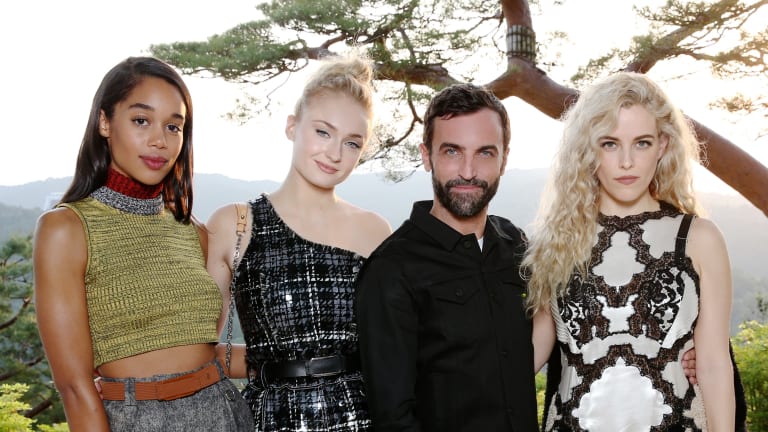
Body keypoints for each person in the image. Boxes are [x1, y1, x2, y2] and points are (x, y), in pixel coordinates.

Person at [33, 56, 254, 431]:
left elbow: (203, 351)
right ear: (105, 122)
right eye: (141, 120)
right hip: (138, 420)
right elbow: (75, 388)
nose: (159, 140)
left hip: (224, 410)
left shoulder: (193, 231)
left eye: (173, 126)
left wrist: (312, 356)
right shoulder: (66, 229)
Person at [523, 72, 735, 431]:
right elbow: (524, 359)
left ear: (663, 146)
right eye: (609, 143)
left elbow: (714, 364)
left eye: (642, 143)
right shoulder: (555, 243)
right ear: (589, 148)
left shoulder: (699, 238)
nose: (626, 161)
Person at [205, 52, 392, 431]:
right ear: (292, 126)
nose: (335, 153)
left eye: (352, 143)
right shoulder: (235, 225)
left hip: (362, 418)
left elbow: (392, 351)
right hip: (270, 418)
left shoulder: (376, 232)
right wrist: (270, 366)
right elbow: (205, 352)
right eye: (323, 132)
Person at [355, 83, 539, 431]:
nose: (468, 171)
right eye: (452, 152)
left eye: (485, 153)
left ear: (504, 159)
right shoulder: (391, 269)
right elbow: (392, 418)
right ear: (427, 156)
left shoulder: (514, 243)